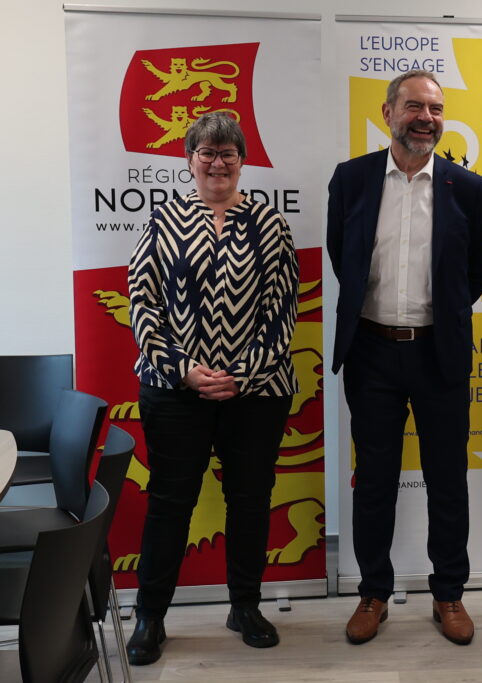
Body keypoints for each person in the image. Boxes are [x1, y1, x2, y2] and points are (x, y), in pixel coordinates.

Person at [326, 70, 482, 646]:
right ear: (387, 113)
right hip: (372, 352)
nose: (427, 117)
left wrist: (437, 316)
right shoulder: (351, 180)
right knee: (373, 480)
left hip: (438, 354)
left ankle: (448, 593)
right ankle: (373, 592)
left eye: (437, 108)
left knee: (447, 479)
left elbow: (479, 271)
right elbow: (340, 255)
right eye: (415, 106)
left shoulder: (467, 188)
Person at [126, 111, 299, 664]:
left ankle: (244, 605)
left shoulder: (269, 224)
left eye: (228, 153)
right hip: (175, 389)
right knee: (170, 502)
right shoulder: (163, 221)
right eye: (207, 152)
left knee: (250, 501)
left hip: (258, 390)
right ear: (189, 160)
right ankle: (151, 616)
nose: (218, 162)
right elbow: (143, 303)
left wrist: (243, 373)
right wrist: (183, 368)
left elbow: (283, 309)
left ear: (242, 161)